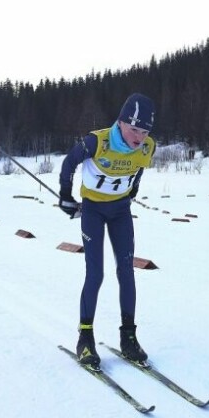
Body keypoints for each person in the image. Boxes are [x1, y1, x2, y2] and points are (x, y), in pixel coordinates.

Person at [58, 93, 156, 369]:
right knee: (96, 273)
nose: (139, 136)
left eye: (145, 130)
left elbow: (138, 171)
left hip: (120, 212)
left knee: (126, 272)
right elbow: (69, 163)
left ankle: (129, 338)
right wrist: (66, 196)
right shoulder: (96, 142)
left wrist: (133, 188)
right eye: (134, 129)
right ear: (121, 122)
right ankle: (85, 338)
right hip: (93, 211)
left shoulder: (148, 148)